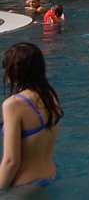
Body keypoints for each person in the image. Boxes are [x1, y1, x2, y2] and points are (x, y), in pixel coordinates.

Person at [0, 42, 63, 188]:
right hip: (51, 175)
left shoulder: (13, 105)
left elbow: (11, 161)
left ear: (15, 70)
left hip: (24, 186)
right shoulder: (50, 95)